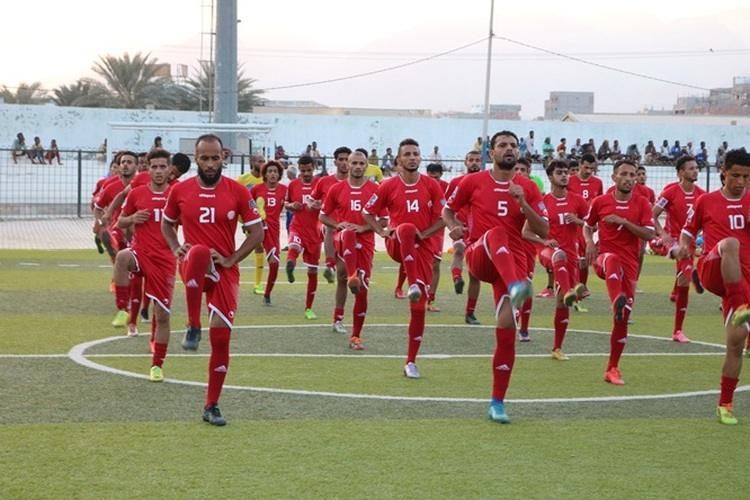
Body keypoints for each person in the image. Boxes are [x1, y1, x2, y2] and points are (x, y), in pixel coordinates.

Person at [443, 130, 548, 423]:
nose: (509, 149)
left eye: (513, 145)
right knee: (496, 233)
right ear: (492, 152)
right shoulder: (473, 181)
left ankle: (497, 403)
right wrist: (453, 227)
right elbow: (447, 211)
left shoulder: (528, 187)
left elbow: (544, 230)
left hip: (512, 263)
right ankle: (516, 286)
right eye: (502, 145)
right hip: (481, 256)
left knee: (507, 330)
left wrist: (523, 203)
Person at [161, 133, 263, 426]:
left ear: (223, 158)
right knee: (199, 251)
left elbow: (257, 233)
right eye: (204, 158)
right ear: (196, 158)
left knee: (221, 337)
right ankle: (193, 324)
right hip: (193, 266)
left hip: (224, 271)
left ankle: (212, 405)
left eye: (214, 158)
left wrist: (232, 259)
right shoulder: (180, 190)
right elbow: (167, 224)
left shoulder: (237, 191)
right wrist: (175, 247)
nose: (209, 163)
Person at [677, 148, 750, 425]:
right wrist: (685, 257)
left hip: (741, 280)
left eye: (746, 177)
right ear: (723, 172)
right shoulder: (706, 201)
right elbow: (687, 234)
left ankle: (725, 404)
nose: (740, 182)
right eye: (735, 176)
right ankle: (740, 306)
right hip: (714, 268)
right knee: (730, 243)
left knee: (735, 343)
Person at [362, 138, 445, 379]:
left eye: (415, 153)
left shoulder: (432, 185)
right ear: (399, 160)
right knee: (406, 228)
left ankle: (411, 361)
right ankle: (413, 284)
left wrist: (425, 234)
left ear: (420, 157)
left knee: (418, 309)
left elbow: (444, 217)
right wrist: (381, 232)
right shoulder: (388, 186)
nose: (412, 157)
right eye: (407, 154)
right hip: (397, 243)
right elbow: (367, 212)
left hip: (423, 249)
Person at [584, 159, 655, 386]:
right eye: (623, 174)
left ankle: (612, 368)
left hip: (630, 266)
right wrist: (589, 242)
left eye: (632, 175)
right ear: (614, 177)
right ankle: (616, 300)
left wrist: (623, 221)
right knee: (612, 260)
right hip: (604, 260)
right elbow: (588, 226)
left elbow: (649, 235)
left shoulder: (642, 203)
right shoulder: (600, 201)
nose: (628, 178)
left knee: (623, 318)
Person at [113, 149, 176, 382]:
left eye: (162, 167)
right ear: (147, 169)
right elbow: (120, 222)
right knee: (122, 257)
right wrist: (132, 218)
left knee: (162, 316)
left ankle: (157, 365)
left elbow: (189, 220)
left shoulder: (176, 194)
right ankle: (122, 309)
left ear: (169, 170)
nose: (158, 171)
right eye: (154, 167)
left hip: (165, 261)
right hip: (141, 253)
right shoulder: (137, 193)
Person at [525, 160, 588, 360]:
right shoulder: (542, 202)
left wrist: (579, 221)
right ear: (550, 176)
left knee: (562, 303)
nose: (564, 176)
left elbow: (592, 226)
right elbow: (526, 232)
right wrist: (544, 240)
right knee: (558, 256)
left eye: (566, 172)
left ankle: (557, 349)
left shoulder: (578, 201)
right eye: (559, 172)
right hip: (547, 251)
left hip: (570, 257)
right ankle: (572, 289)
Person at [319, 150, 382, 350]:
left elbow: (384, 220)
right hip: (343, 238)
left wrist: (364, 227)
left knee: (362, 290)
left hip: (365, 243)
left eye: (361, 163)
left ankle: (356, 336)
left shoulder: (375, 190)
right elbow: (323, 216)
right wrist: (338, 224)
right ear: (348, 164)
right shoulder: (336, 189)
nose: (357, 166)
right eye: (353, 163)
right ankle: (338, 317)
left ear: (366, 166)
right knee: (342, 275)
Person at [653, 155, 706, 343]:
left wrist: (703, 238)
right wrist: (662, 234)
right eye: (691, 168)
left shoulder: (702, 195)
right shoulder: (670, 193)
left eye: (696, 168)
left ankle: (677, 330)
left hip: (690, 241)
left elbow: (705, 221)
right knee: (685, 263)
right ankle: (693, 274)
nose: (695, 171)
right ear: (681, 172)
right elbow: (653, 214)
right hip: (673, 240)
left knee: (683, 282)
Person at [310, 146, 351, 329]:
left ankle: (344, 320)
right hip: (330, 225)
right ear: (335, 162)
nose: (344, 163)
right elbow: (311, 200)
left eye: (347, 159)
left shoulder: (360, 185)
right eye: (341, 159)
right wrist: (315, 205)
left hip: (351, 233)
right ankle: (329, 264)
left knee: (351, 280)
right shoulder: (325, 182)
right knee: (328, 228)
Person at [444, 150, 483, 324]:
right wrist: (454, 225)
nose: (474, 163)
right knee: (458, 249)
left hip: (479, 230)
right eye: (471, 160)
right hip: (460, 226)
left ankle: (470, 312)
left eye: (477, 160)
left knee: (475, 273)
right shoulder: (455, 182)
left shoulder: (485, 182)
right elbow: (447, 207)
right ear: (465, 162)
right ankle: (457, 277)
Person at [285, 155, 324, 320]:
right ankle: (290, 265)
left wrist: (320, 205)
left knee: (312, 270)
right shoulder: (293, 185)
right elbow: (285, 203)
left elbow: (329, 203)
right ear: (299, 169)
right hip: (298, 227)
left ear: (314, 168)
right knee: (293, 247)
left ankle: (308, 307)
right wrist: (291, 205)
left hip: (315, 232)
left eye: (309, 170)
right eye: (303, 171)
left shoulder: (321, 183)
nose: (306, 173)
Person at [567, 153, 603, 312]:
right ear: (580, 165)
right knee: (571, 257)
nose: (589, 171)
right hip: (571, 225)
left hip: (587, 225)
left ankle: (582, 287)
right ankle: (569, 287)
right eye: (586, 167)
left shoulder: (598, 182)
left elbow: (599, 203)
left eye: (592, 168)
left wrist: (596, 222)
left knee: (583, 258)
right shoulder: (570, 180)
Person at [250, 161, 288, 306]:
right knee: (269, 258)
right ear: (265, 174)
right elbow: (247, 205)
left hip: (274, 229)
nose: (272, 174)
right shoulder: (257, 189)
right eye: (270, 171)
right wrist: (249, 222)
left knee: (275, 264)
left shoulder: (284, 190)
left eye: (275, 171)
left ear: (279, 174)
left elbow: (291, 203)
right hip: (260, 227)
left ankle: (267, 293)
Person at [237, 154, 267, 296]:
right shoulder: (242, 180)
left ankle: (258, 283)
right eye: (259, 161)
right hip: (245, 218)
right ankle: (257, 283)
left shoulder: (266, 180)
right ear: (252, 162)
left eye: (263, 161)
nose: (262, 164)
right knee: (256, 246)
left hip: (262, 219)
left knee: (261, 247)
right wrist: (243, 221)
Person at [425, 163, 449, 312]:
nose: (434, 180)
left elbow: (451, 207)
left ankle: (430, 299)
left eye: (436, 177)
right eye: (431, 177)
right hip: (421, 229)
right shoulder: (421, 185)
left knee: (435, 264)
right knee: (420, 264)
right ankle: (418, 294)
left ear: (441, 175)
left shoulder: (446, 187)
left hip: (437, 230)